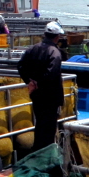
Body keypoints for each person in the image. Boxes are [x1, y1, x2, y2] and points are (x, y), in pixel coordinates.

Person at [17, 21, 65, 151]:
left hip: (37, 95)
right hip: (50, 96)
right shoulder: (54, 52)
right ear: (57, 37)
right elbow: (52, 73)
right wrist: (40, 83)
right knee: (49, 128)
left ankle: (38, 151)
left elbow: (20, 66)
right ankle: (46, 155)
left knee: (39, 124)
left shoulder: (32, 49)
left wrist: (30, 82)